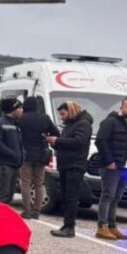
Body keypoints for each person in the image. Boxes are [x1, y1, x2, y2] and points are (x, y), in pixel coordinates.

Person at [93, 96, 127, 240]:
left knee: (116, 198)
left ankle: (112, 226)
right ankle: (102, 226)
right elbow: (100, 141)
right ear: (121, 108)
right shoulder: (111, 122)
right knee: (107, 196)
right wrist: (109, 161)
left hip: (126, 167)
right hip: (112, 167)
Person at [47, 101, 93, 238]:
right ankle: (66, 224)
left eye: (63, 114)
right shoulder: (70, 125)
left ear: (71, 111)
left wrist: (58, 140)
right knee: (67, 196)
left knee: (71, 197)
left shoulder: (83, 124)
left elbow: (79, 142)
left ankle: (69, 226)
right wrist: (54, 143)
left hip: (75, 165)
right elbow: (67, 144)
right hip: (65, 165)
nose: (61, 117)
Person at [16, 96, 58, 219]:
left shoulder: (21, 118)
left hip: (25, 154)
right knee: (39, 183)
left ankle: (26, 211)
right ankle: (36, 211)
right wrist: (45, 137)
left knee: (25, 183)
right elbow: (56, 133)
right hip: (41, 155)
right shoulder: (45, 118)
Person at [0, 97, 24, 204]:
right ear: (13, 109)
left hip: (14, 165)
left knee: (9, 196)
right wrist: (12, 154)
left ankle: (3, 219)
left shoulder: (16, 124)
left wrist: (23, 154)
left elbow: (19, 143)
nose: (22, 110)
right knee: (2, 195)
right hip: (4, 165)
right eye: (20, 107)